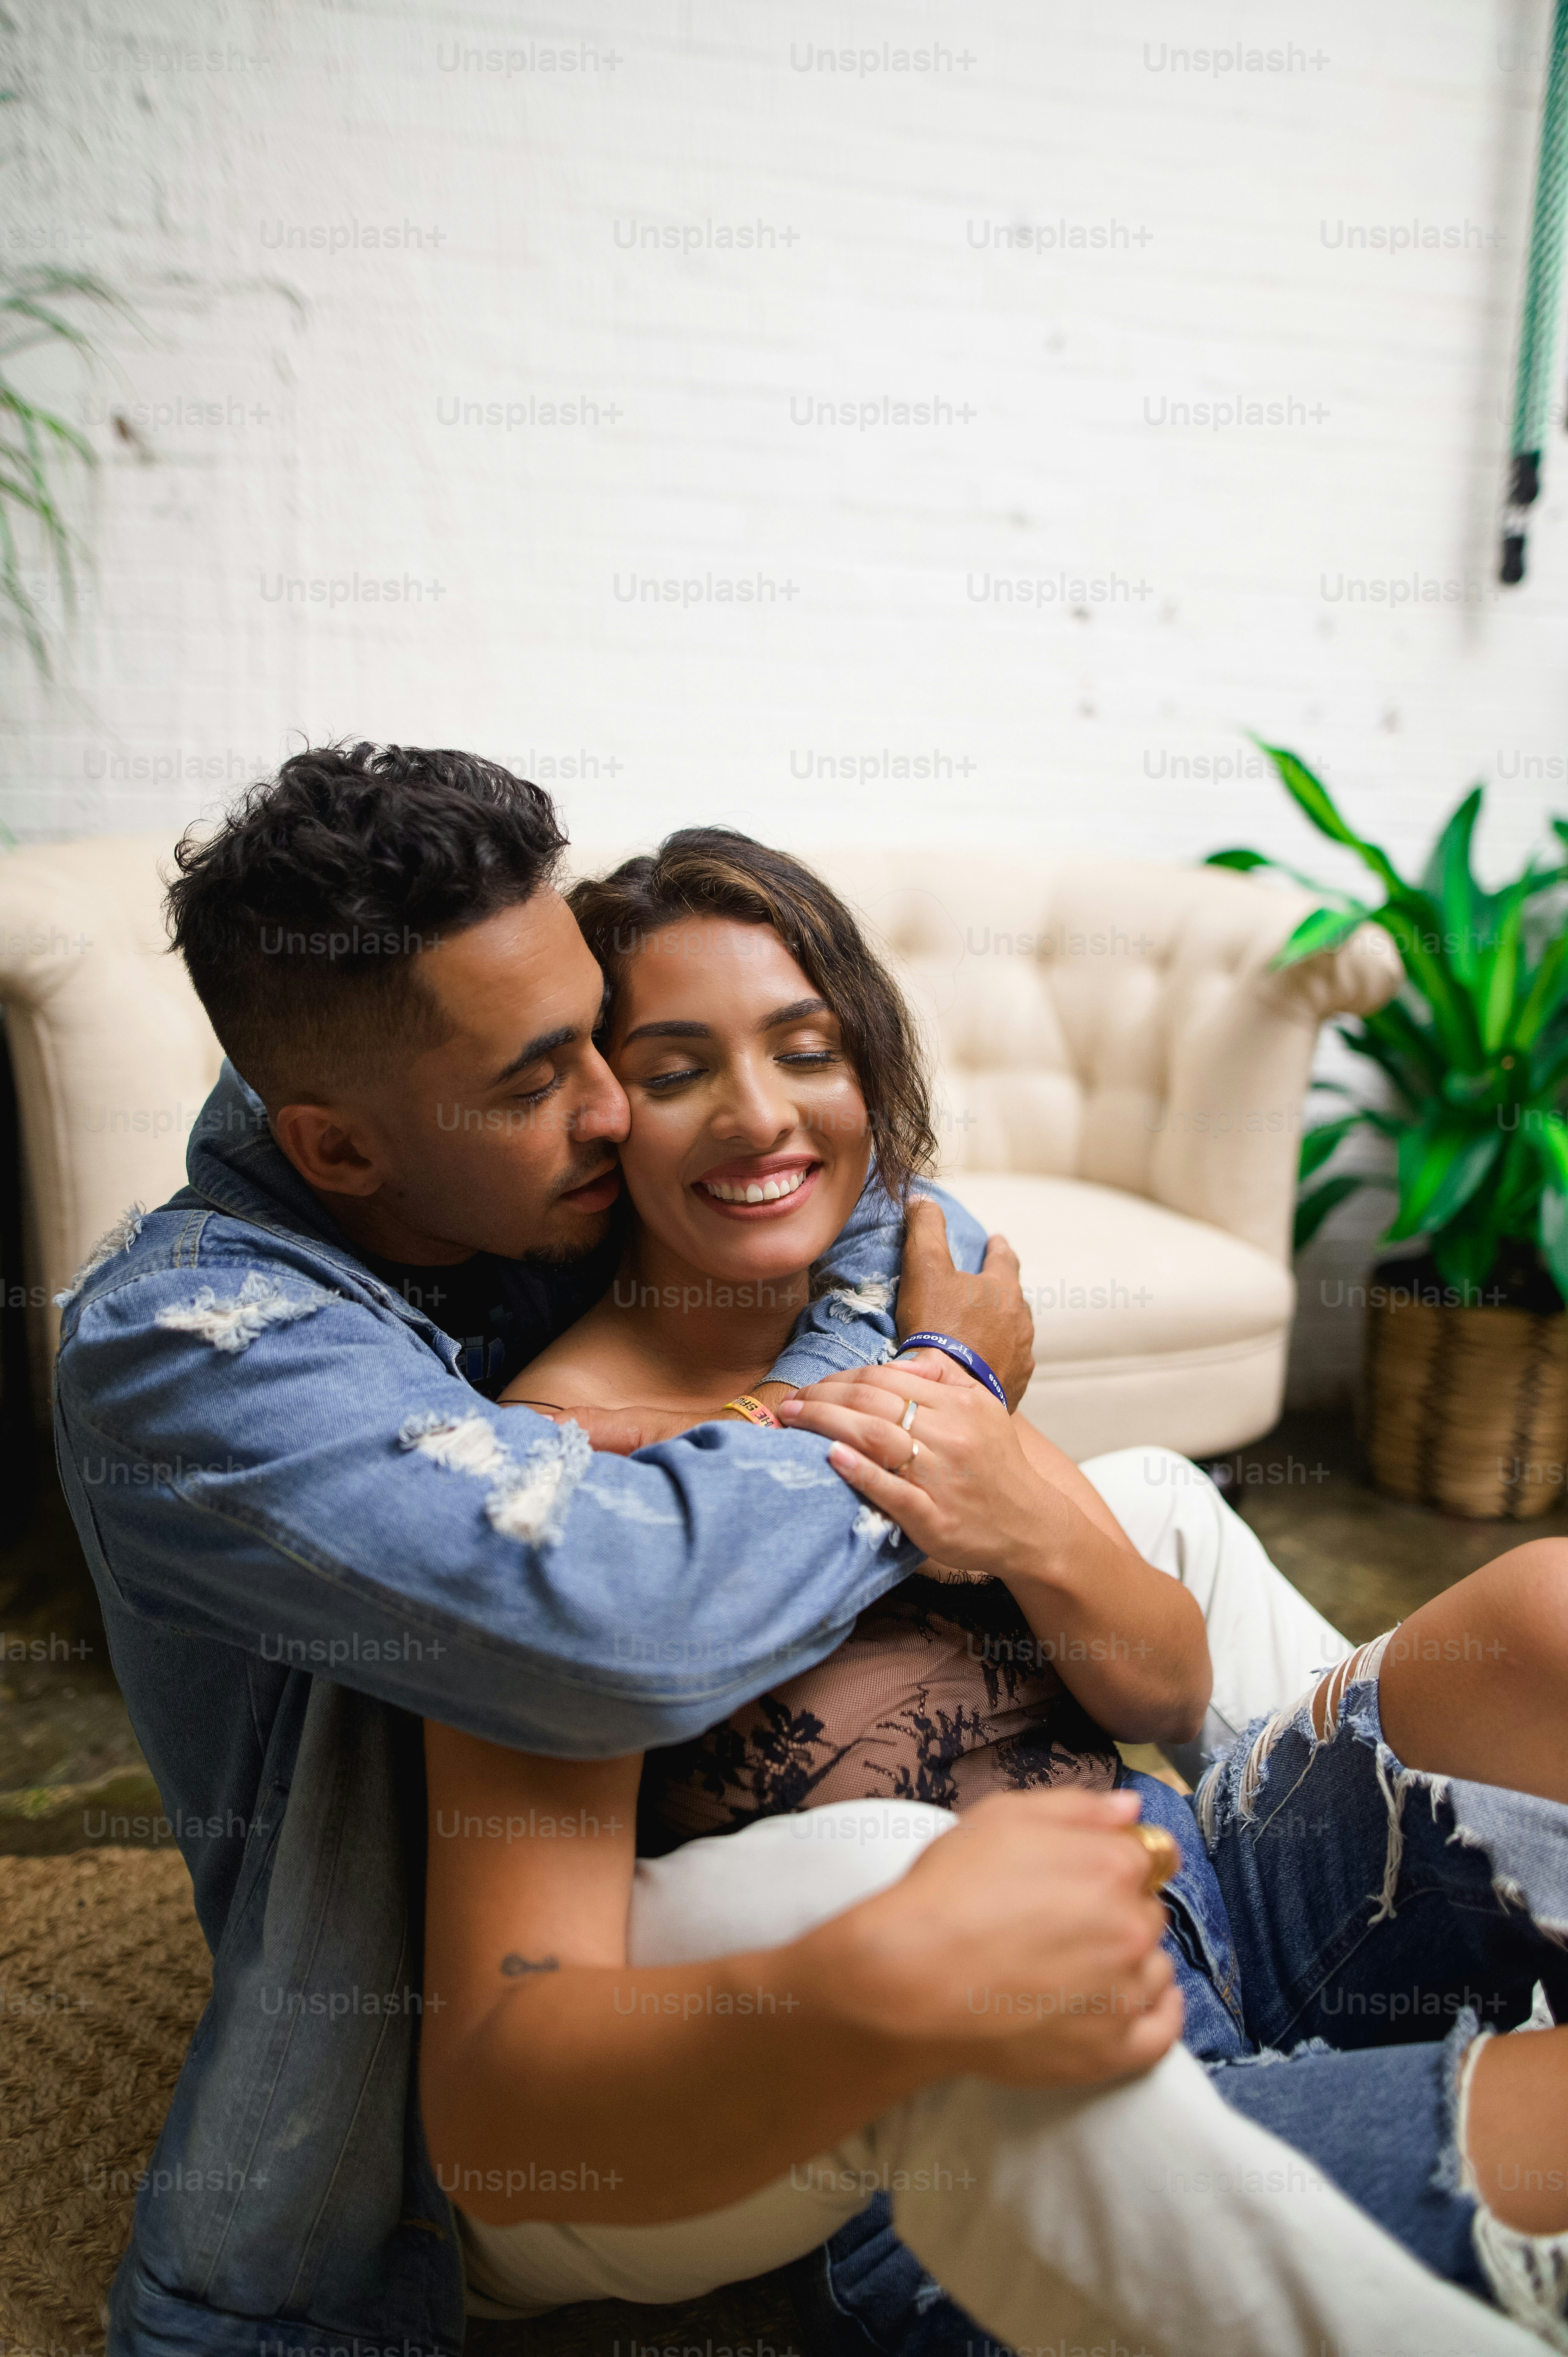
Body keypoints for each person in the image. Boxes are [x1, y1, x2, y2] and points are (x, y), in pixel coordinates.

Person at [42, 743, 1534, 2357]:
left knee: (1513, 1605)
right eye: (592, 1076)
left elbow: (1154, 1660)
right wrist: (922, 1390)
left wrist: (969, 1457)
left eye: (796, 1050)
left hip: (1178, 1908)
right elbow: (592, 1629)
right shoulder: (306, 1386)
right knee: (905, 1880)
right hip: (917, 2110)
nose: (621, 1111)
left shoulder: (754, 1261)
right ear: (339, 1151)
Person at [419, 827, 1568, 2355]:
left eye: (808, 1050)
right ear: (604, 1119)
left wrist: (1030, 1519)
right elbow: (513, 2069)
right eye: (679, 1069)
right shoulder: (547, 1486)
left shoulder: (894, 1329)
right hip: (982, 2134)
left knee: (1544, 1611)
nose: (761, 1113)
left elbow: (1169, 1693)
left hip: (1198, 1894)